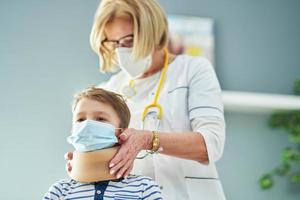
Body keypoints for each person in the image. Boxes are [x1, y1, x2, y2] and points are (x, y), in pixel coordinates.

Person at [66, 0, 226, 199]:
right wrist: (86, 163)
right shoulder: (109, 90)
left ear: (153, 31)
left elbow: (211, 144)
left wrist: (148, 140)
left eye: (129, 40)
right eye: (113, 43)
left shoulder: (192, 70)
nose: (121, 50)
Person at [44, 87, 162, 199]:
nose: (87, 125)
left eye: (100, 119)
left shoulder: (144, 188)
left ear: (121, 132)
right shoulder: (60, 191)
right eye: (80, 120)